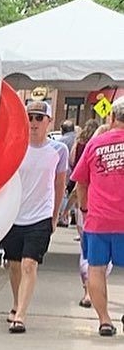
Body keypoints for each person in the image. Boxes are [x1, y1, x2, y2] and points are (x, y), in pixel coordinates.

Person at [0, 99, 67, 333]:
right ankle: (17, 303)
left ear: (49, 122)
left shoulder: (59, 150)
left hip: (40, 216)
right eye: (30, 117)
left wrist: (55, 215)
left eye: (39, 118)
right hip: (14, 214)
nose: (34, 122)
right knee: (15, 265)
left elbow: (60, 184)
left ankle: (21, 315)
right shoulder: (15, 145)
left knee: (30, 264)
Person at [72, 98, 124, 336]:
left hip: (99, 220)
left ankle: (104, 320)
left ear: (112, 118)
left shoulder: (95, 145)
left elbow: (81, 181)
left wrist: (84, 210)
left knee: (96, 269)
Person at [73, 118, 109, 307]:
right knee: (102, 264)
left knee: (91, 259)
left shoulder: (87, 147)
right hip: (106, 213)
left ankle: (90, 294)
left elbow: (79, 180)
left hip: (92, 212)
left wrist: (82, 208)